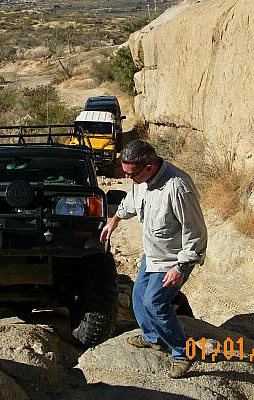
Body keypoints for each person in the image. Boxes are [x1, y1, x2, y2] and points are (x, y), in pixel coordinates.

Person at [100, 140, 207, 379]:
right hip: (152, 255)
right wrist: (114, 220)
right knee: (139, 299)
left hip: (173, 260)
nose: (127, 178)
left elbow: (196, 233)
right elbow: (131, 201)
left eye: (130, 174)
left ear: (149, 167)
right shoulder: (141, 180)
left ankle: (183, 352)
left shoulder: (178, 188)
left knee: (155, 304)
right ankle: (153, 337)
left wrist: (181, 267)